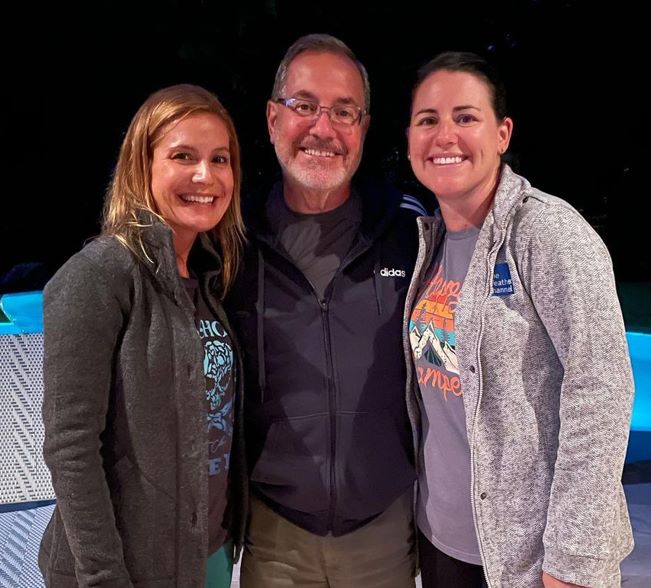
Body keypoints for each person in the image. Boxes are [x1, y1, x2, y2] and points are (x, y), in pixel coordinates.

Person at [404, 51, 634, 588]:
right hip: (443, 545)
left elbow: (601, 389)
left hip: (528, 562)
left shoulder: (548, 234)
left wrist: (573, 560)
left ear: (502, 133)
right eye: (428, 120)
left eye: (466, 117)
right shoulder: (429, 243)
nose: (445, 136)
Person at [226, 34, 427, 587]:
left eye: (344, 111)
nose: (323, 128)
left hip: (383, 531)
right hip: (274, 535)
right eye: (305, 106)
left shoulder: (412, 234)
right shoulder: (231, 243)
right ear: (272, 119)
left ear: (363, 128)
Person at [38, 84, 247, 587]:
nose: (206, 175)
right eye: (183, 156)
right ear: (143, 166)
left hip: (206, 556)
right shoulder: (100, 274)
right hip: (127, 570)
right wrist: (104, 576)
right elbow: (70, 447)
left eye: (220, 158)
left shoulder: (208, 280)